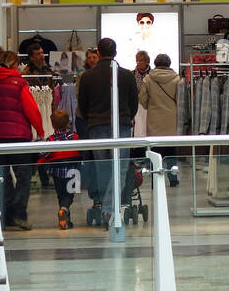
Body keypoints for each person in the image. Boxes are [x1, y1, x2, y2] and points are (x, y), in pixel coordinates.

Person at [0, 48, 44, 231]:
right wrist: (40, 131)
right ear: (14, 66)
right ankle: (19, 213)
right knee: (24, 176)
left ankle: (3, 215)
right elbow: (32, 109)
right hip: (18, 137)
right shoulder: (19, 84)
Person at [76, 38, 139, 227]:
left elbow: (83, 105)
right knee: (119, 168)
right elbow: (134, 104)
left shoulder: (87, 76)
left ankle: (105, 206)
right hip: (121, 126)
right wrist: (126, 118)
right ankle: (111, 208)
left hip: (97, 126)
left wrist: (92, 120)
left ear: (99, 53)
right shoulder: (127, 75)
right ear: (116, 53)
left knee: (102, 167)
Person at [138, 52, 181, 187]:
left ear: (155, 64)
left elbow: (143, 100)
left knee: (155, 151)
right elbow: (180, 100)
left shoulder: (148, 79)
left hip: (154, 120)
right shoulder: (177, 79)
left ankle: (154, 178)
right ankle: (173, 178)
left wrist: (152, 105)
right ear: (169, 64)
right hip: (171, 120)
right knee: (171, 151)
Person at [39, 109, 81, 230]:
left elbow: (44, 154)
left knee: (60, 195)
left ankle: (65, 221)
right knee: (69, 196)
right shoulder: (74, 137)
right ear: (68, 123)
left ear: (52, 125)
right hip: (73, 172)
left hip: (57, 172)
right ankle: (64, 212)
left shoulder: (51, 140)